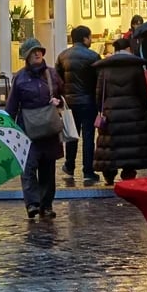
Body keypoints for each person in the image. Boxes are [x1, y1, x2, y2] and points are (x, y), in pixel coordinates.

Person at [6, 38, 64, 219]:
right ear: (26, 56)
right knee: (28, 166)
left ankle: (46, 206)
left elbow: (63, 94)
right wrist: (12, 128)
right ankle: (32, 203)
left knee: (48, 168)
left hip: (48, 127)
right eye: (33, 52)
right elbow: (12, 104)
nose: (37, 54)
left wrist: (58, 101)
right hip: (27, 127)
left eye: (39, 50)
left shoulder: (52, 74)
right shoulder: (20, 78)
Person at [96, 38, 147, 185]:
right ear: (128, 49)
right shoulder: (135, 66)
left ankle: (109, 174)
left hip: (111, 113)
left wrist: (102, 109)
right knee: (131, 146)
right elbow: (142, 92)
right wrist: (141, 108)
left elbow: (100, 93)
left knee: (110, 147)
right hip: (133, 112)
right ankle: (129, 173)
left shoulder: (105, 68)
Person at [57, 26, 102, 186]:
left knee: (71, 135)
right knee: (89, 136)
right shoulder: (93, 56)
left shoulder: (62, 56)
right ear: (85, 38)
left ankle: (69, 166)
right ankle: (88, 170)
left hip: (70, 102)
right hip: (88, 101)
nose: (91, 40)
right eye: (90, 37)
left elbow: (59, 80)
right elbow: (99, 80)